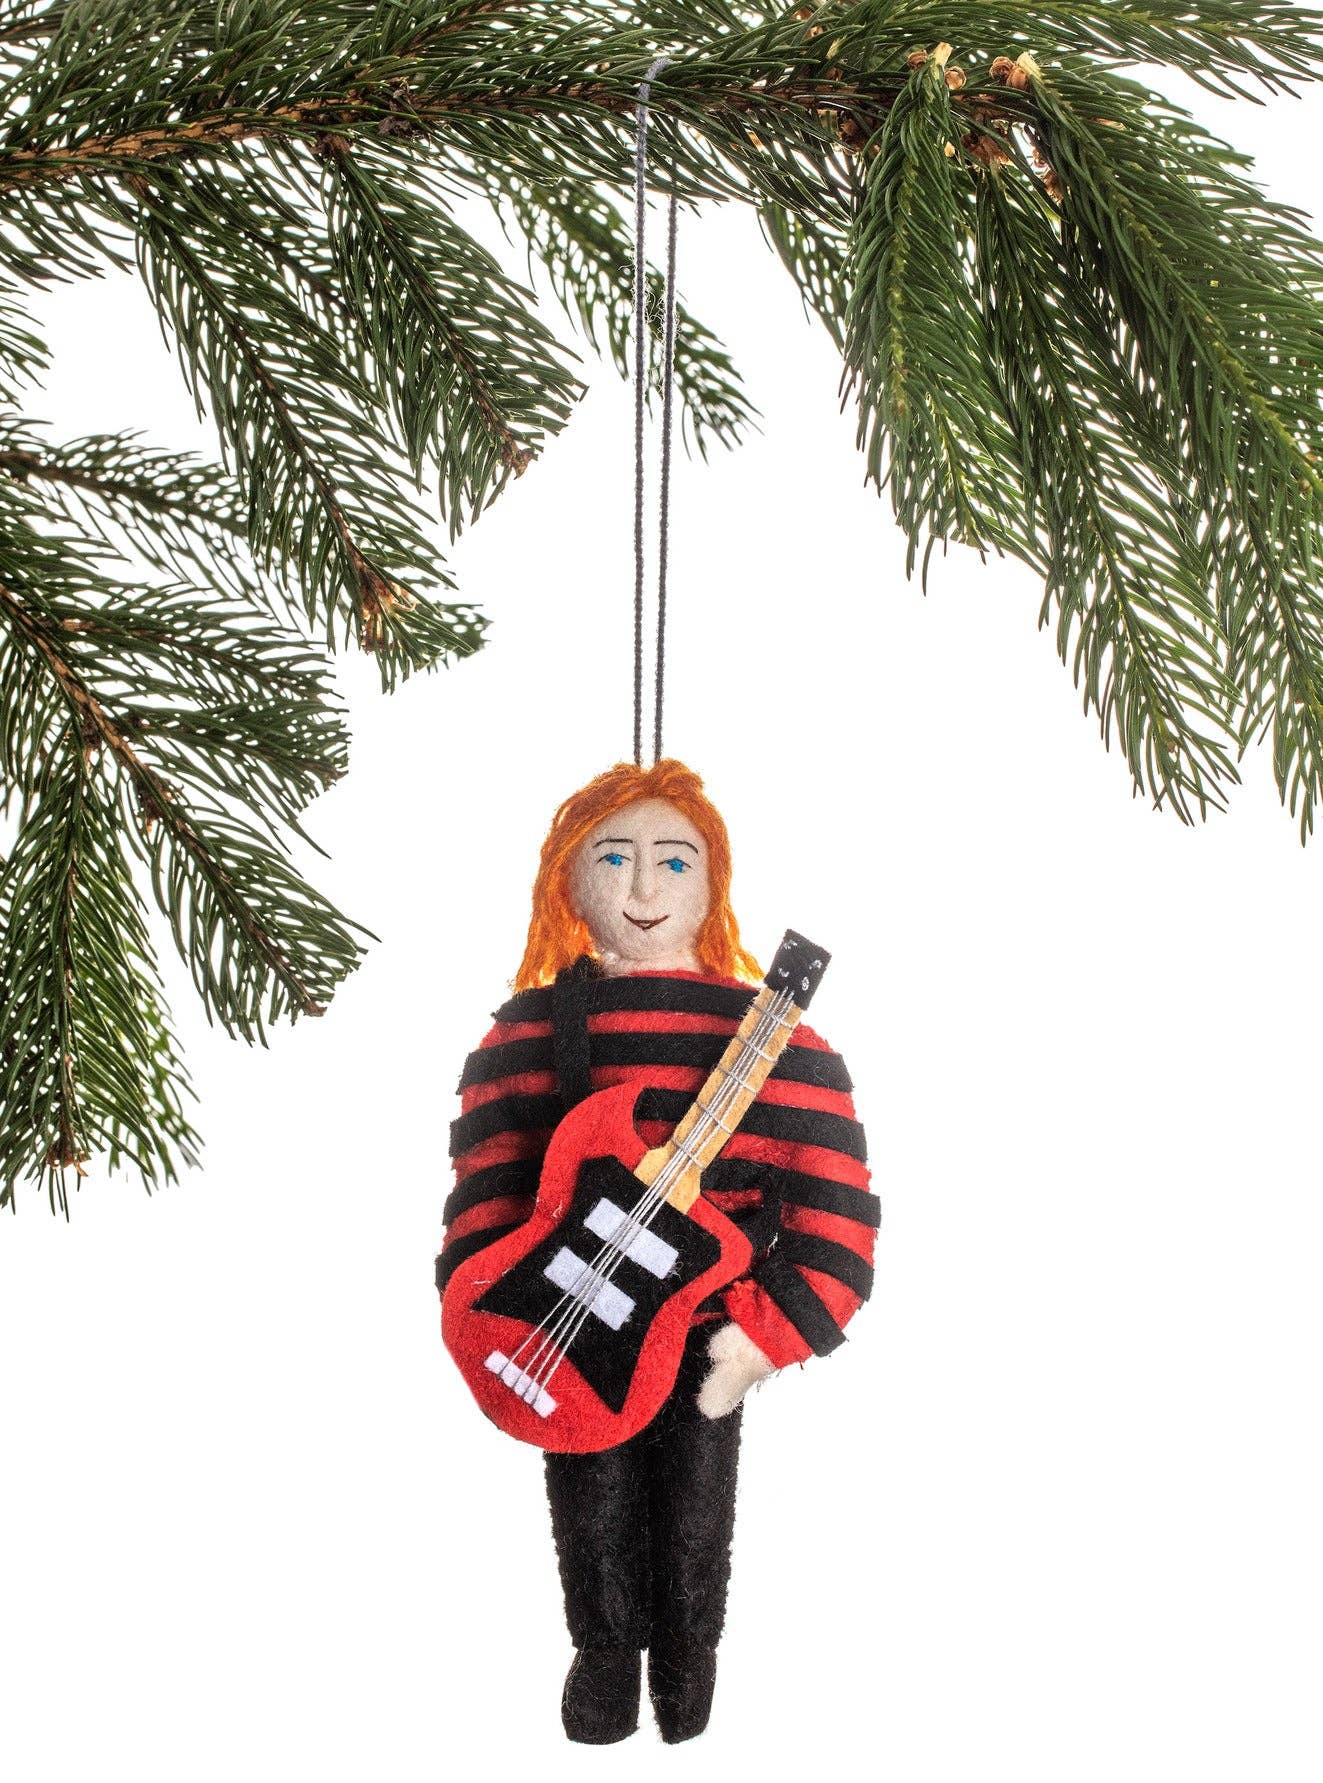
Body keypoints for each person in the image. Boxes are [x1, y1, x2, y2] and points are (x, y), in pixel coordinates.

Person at [436, 759, 878, 1743]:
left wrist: (762, 1338)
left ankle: (688, 1657)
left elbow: (836, 1206)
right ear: (566, 876)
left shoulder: (785, 1048)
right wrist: (480, 1292)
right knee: (586, 1490)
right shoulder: (530, 1030)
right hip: (554, 1315)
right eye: (614, 858)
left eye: (673, 861)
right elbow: (487, 1174)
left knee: (695, 1504)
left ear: (713, 883)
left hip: (705, 1327)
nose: (642, 887)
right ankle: (602, 1649)